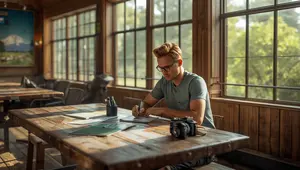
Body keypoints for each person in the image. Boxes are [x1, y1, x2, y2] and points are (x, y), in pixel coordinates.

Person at [131, 42, 215, 170]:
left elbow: (197, 119)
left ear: (180, 62)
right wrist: (140, 108)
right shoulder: (164, 81)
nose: (164, 72)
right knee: (138, 153)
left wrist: (163, 110)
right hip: (178, 137)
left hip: (202, 140)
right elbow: (147, 102)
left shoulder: (196, 82)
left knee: (166, 165)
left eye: (167, 67)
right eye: (160, 68)